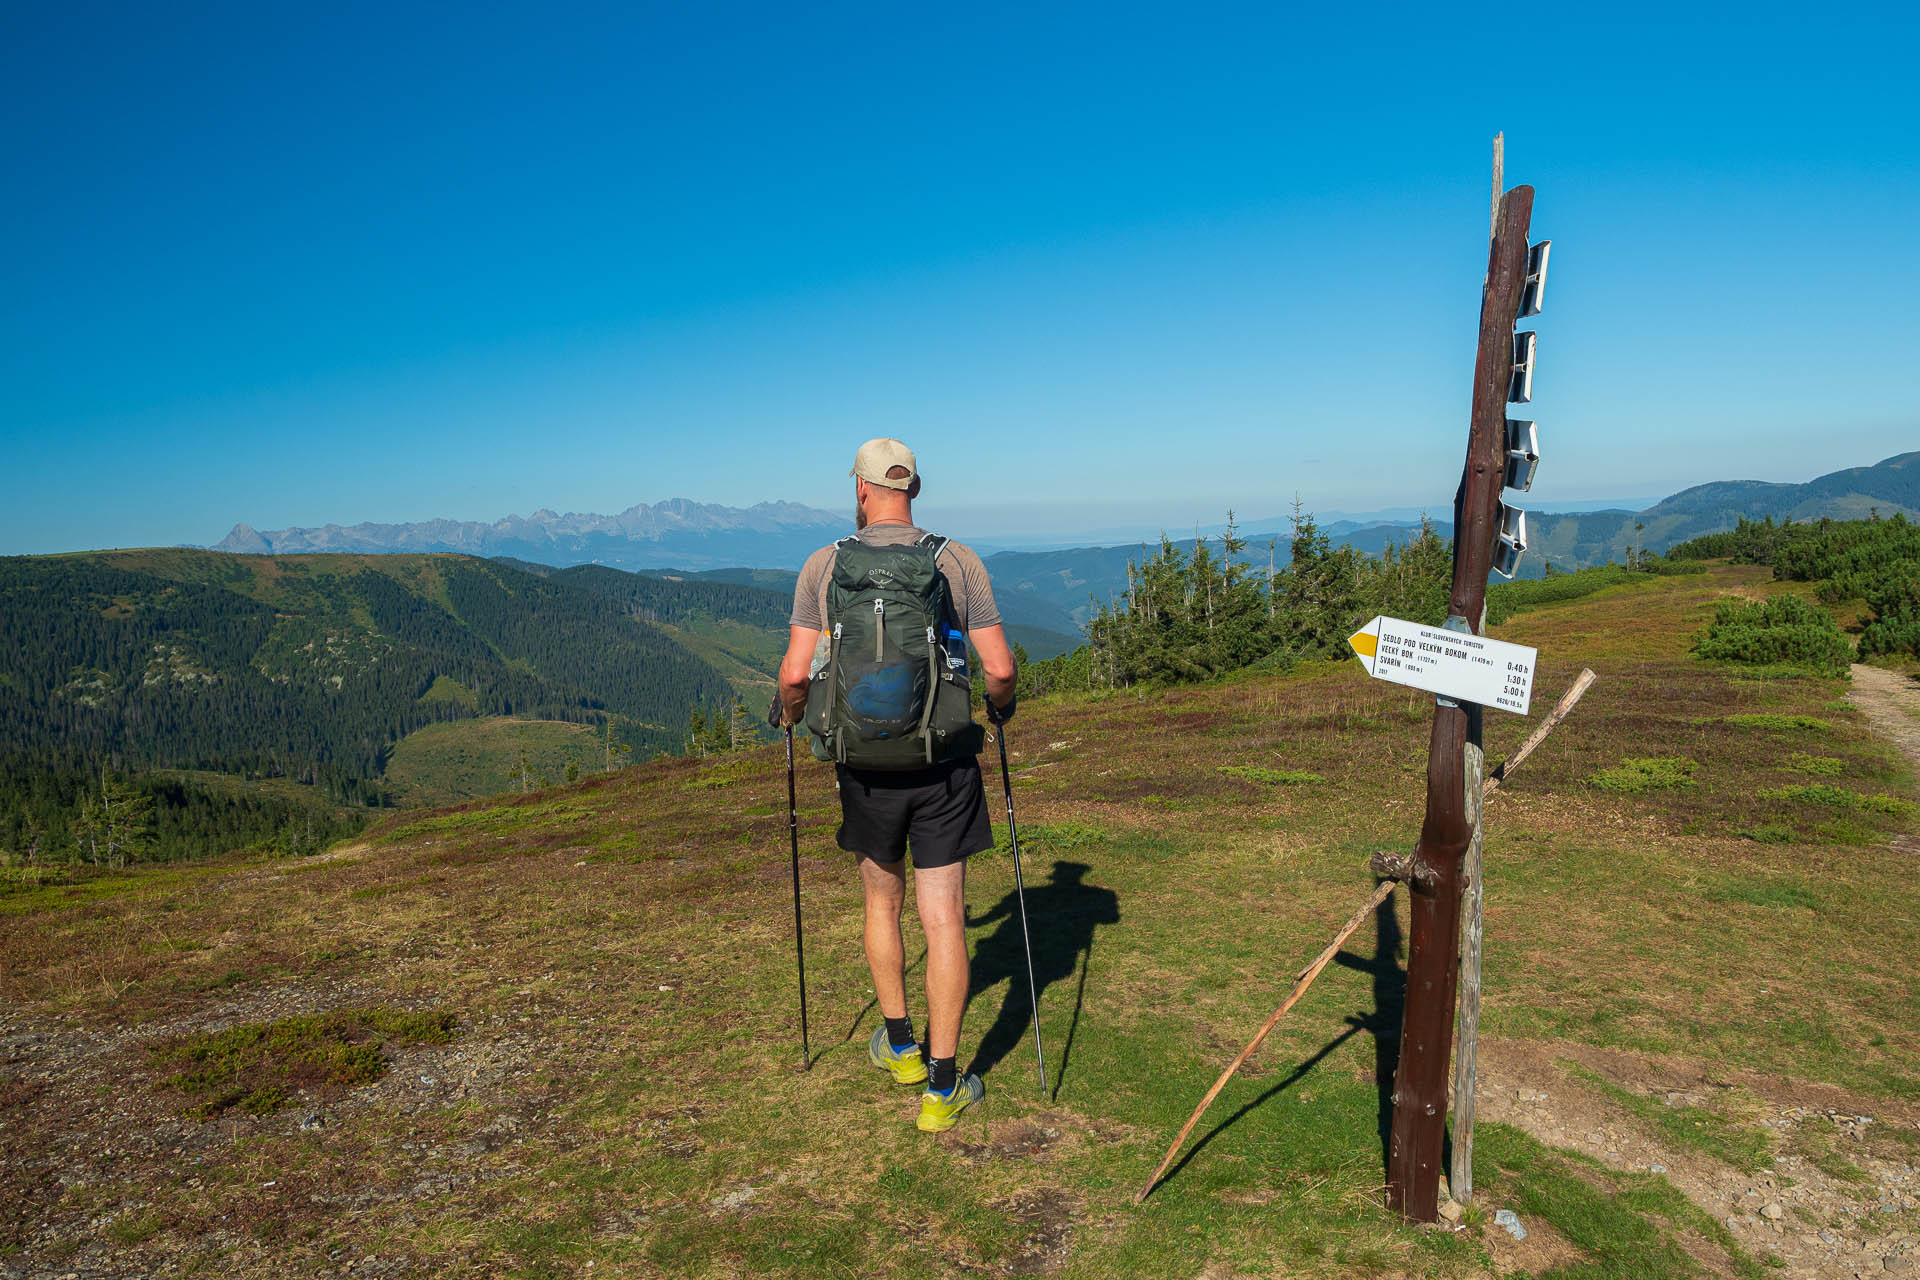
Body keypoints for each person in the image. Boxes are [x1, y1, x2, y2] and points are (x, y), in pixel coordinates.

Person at [770, 437, 1018, 1132]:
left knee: (882, 903)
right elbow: (998, 669)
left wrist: (791, 720)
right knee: (944, 919)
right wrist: (1001, 709)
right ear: (916, 487)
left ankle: (901, 1047)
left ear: (860, 490)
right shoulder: (954, 560)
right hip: (943, 766)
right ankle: (942, 1089)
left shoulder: (824, 566)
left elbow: (795, 676)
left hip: (865, 769)